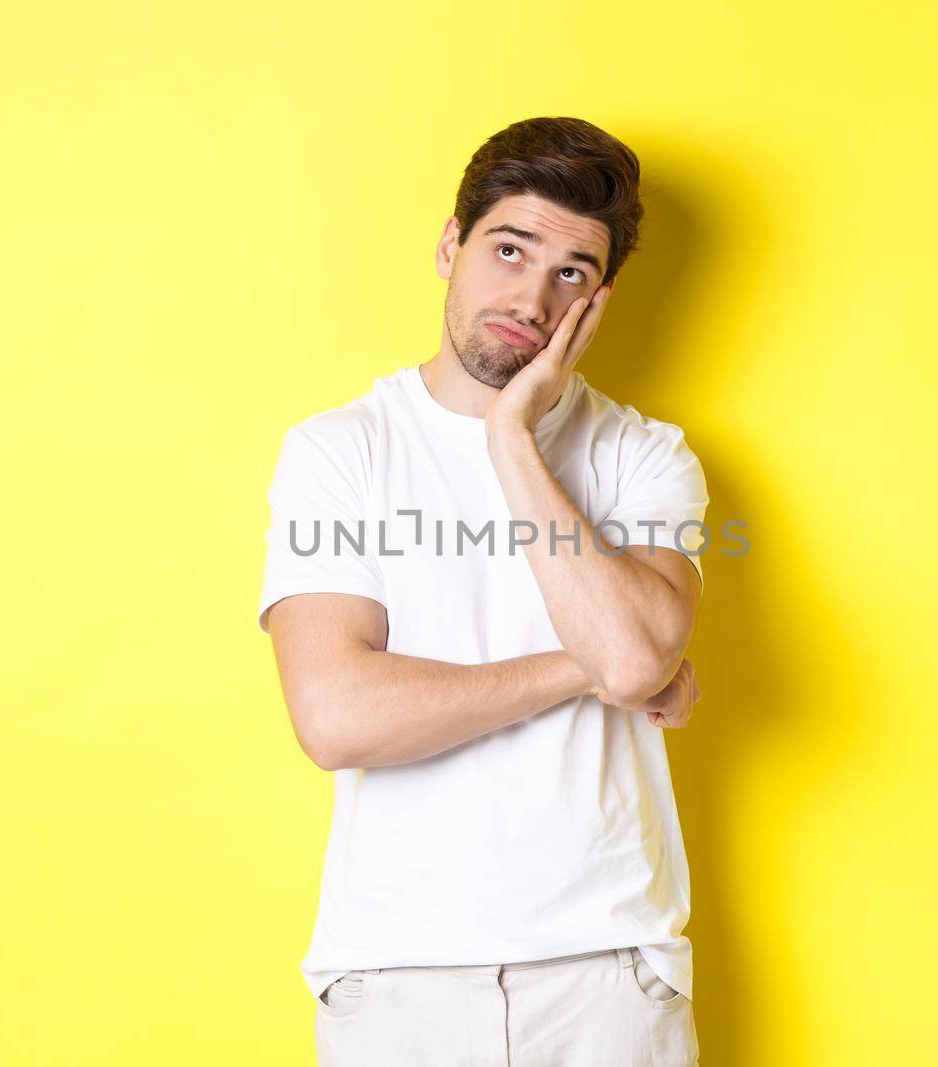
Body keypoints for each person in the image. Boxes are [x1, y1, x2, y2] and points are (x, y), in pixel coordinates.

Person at [256, 115, 706, 1065]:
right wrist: (586, 668)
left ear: (600, 299)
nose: (532, 296)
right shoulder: (340, 451)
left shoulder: (644, 456)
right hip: (396, 973)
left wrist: (511, 438)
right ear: (451, 245)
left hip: (608, 967)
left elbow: (633, 658)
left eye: (571, 273)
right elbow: (336, 716)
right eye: (509, 249)